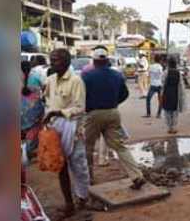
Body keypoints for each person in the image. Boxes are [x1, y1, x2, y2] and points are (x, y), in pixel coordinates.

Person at [82, 46, 146, 189]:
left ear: (94, 61)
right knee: (120, 146)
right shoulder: (117, 75)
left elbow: (81, 97)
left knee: (88, 147)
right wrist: (114, 102)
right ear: (107, 60)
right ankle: (136, 176)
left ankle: (89, 178)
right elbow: (125, 94)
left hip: (93, 114)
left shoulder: (87, 76)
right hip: (113, 112)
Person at [43, 49, 90, 217]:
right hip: (56, 127)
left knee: (78, 166)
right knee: (60, 166)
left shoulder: (76, 81)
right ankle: (69, 204)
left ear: (66, 62)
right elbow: (47, 101)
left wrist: (57, 112)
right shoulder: (49, 80)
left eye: (55, 60)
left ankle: (83, 198)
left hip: (73, 127)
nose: (52, 63)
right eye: (51, 60)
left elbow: (80, 108)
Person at [21, 61, 45, 160]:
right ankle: (27, 152)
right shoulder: (35, 77)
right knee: (33, 131)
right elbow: (44, 87)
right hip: (34, 108)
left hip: (21, 109)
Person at [161, 56, 186, 134]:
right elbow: (181, 85)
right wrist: (182, 96)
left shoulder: (165, 72)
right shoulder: (178, 73)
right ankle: (174, 127)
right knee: (175, 111)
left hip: (167, 93)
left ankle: (169, 127)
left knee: (167, 111)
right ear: (175, 64)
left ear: (168, 64)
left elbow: (162, 83)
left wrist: (161, 93)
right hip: (176, 93)